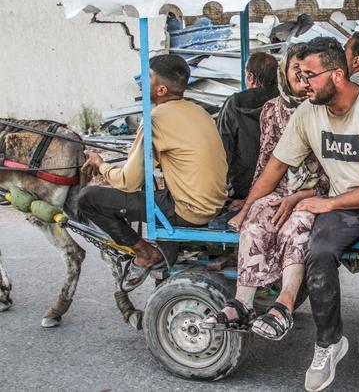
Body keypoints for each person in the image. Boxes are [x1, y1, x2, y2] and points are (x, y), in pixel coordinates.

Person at [226, 37, 359, 392]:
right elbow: (276, 166)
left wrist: (329, 203)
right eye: (299, 75)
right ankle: (329, 343)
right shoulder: (308, 112)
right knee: (317, 251)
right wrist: (247, 207)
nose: (303, 84)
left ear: (337, 74)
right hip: (345, 206)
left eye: (310, 76)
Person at [201, 44, 329, 340]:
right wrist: (247, 207)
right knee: (257, 221)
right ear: (283, 73)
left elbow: (332, 170)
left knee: (296, 223)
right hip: (279, 188)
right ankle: (242, 303)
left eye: (306, 70)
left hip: (316, 192)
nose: (300, 74)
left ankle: (283, 305)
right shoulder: (271, 109)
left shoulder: (324, 109)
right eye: (294, 68)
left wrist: (300, 196)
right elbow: (266, 164)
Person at [78, 54, 228, 290]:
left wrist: (101, 165)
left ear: (161, 89)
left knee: (88, 198)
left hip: (190, 210)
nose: (141, 82)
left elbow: (129, 181)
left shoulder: (155, 119)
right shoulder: (199, 112)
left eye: (147, 77)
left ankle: (146, 253)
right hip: (214, 203)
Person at [217, 52, 279, 209]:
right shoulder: (283, 101)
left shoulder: (234, 103)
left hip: (241, 188)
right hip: (278, 185)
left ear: (250, 77)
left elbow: (222, 148)